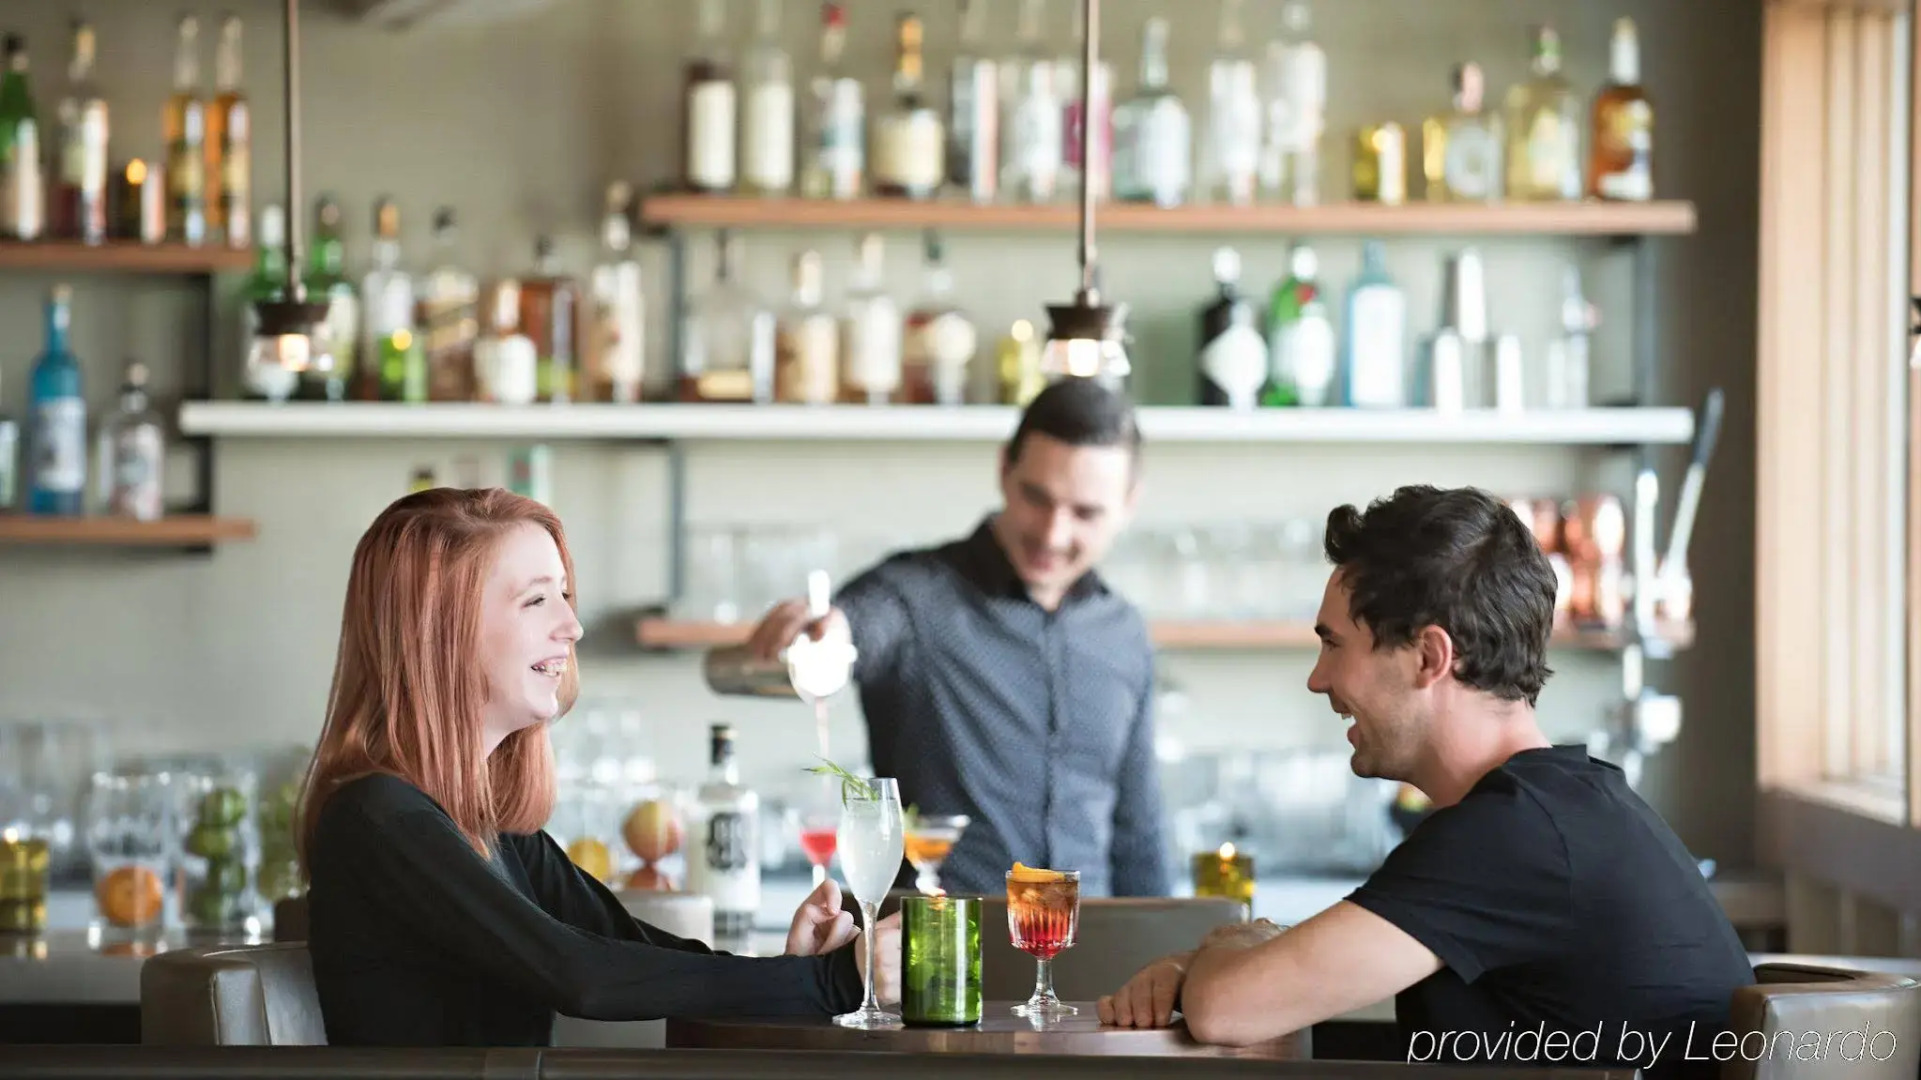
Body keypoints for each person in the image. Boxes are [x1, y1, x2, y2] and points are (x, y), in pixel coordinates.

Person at [1097, 485, 1753, 1080]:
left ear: (1428, 657)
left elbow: (1225, 1008)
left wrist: (1228, 946)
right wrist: (1221, 967)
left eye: (1334, 645)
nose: (1317, 679)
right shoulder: (1565, 807)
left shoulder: (1511, 834)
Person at [297, 488, 899, 1046]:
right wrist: (832, 983)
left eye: (564, 596)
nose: (572, 626)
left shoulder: (486, 823)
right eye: (536, 600)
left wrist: (792, 972)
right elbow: (582, 975)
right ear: (439, 633)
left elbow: (625, 948)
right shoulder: (379, 818)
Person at [746, 378, 1168, 898]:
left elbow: (1139, 833)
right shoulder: (915, 597)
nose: (1053, 534)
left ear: (1129, 504)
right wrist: (828, 634)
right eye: (1036, 497)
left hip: (1092, 961)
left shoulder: (1124, 632)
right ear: (1003, 471)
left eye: (1085, 513)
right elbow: (860, 624)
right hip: (941, 957)